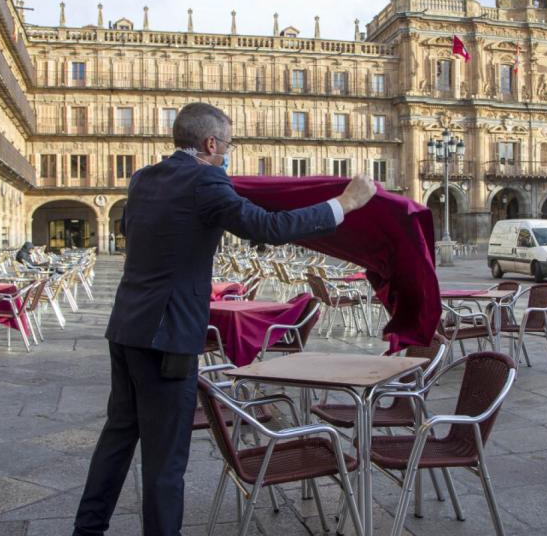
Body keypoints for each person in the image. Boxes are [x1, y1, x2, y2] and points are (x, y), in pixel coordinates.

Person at [73, 102, 376, 536]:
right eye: (228, 146)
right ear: (210, 143)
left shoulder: (142, 179)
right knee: (166, 458)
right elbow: (267, 227)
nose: (228, 155)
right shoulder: (205, 178)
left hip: (126, 327)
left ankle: (87, 529)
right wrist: (344, 203)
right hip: (168, 336)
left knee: (118, 437)